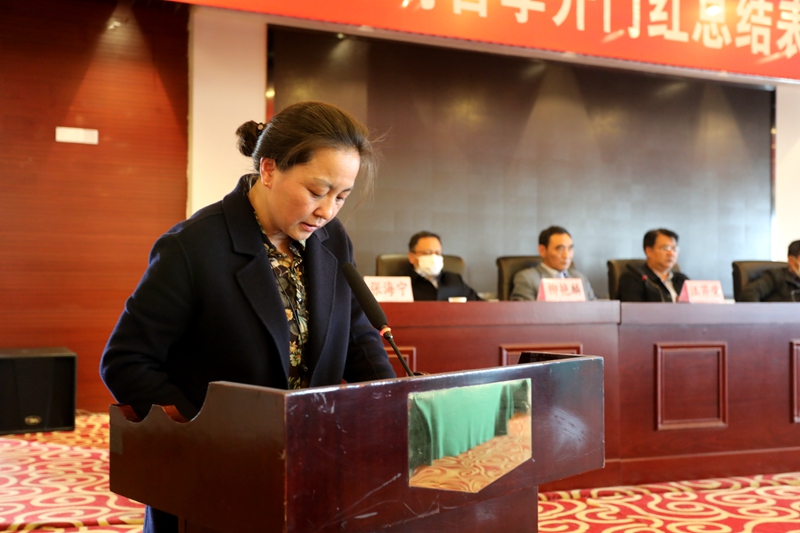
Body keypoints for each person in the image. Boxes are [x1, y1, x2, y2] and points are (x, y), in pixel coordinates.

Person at [100, 102, 396, 533]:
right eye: (317, 191)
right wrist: (208, 436)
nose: (328, 211)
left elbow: (354, 334)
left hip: (313, 465)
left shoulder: (331, 239)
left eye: (342, 197)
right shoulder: (194, 246)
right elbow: (126, 362)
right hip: (217, 479)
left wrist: (393, 404)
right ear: (269, 169)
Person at [510, 226, 596, 301]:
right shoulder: (527, 278)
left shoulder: (580, 278)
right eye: (560, 249)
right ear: (542, 250)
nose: (566, 255)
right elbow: (524, 313)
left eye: (570, 248)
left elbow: (594, 309)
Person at [398, 231, 481, 301]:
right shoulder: (399, 283)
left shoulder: (455, 280)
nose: (433, 257)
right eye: (427, 253)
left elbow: (480, 306)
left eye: (437, 253)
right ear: (412, 257)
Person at [618, 228, 689, 302]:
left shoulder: (683, 280)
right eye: (666, 248)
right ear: (648, 251)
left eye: (674, 248)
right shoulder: (634, 278)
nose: (671, 253)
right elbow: (633, 308)